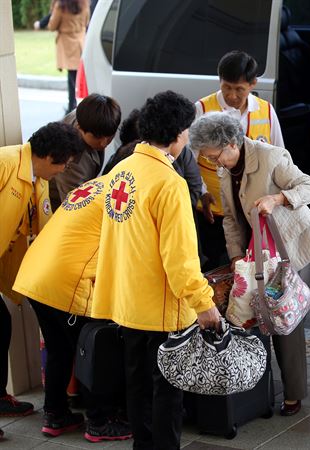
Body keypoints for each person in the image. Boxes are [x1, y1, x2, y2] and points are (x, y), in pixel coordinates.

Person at [90, 91, 221, 448]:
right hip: (162, 309)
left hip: (127, 303)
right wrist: (204, 303)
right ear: (178, 133)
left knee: (137, 389)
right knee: (166, 396)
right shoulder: (170, 183)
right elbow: (180, 258)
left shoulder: (122, 170)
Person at [189, 112, 310, 417]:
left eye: (215, 156)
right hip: (253, 257)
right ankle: (259, 390)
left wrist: (277, 198)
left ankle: (294, 392)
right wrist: (235, 257)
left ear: (232, 144)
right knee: (250, 318)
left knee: (285, 321)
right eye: (209, 159)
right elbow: (231, 222)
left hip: (290, 249)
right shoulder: (226, 170)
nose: (215, 164)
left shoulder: (271, 156)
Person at [13, 176, 131, 442]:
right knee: (95, 351)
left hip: (35, 274)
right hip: (67, 281)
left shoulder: (94, 185)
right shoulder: (122, 194)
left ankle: (56, 414)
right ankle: (100, 421)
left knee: (59, 350)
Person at [0, 122, 84, 419]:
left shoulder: (37, 180)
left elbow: (43, 228)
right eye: (65, 164)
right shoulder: (6, 162)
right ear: (51, 157)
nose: (64, 171)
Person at [194, 50, 285, 269]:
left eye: (239, 89)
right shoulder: (203, 109)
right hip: (213, 210)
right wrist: (202, 192)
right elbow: (189, 161)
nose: (232, 95)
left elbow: (279, 154)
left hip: (254, 211)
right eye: (226, 87)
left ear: (253, 84)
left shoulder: (266, 111)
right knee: (214, 266)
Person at [49, 93, 122, 211]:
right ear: (79, 128)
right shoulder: (69, 161)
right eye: (97, 137)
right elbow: (74, 207)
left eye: (109, 137)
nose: (104, 144)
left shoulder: (89, 117)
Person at [47, 0, 90, 113]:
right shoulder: (84, 3)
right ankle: (74, 105)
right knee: (77, 77)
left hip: (67, 45)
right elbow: (86, 21)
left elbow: (52, 26)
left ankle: (73, 108)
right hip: (80, 43)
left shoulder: (61, 6)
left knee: (72, 79)